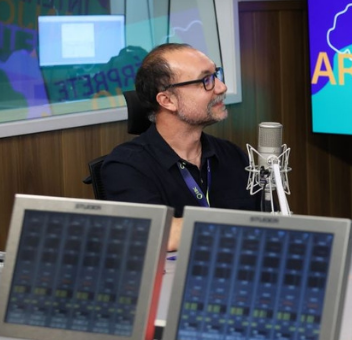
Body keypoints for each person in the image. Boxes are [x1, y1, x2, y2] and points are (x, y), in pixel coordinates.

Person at [102, 43, 259, 250]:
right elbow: (156, 232)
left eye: (216, 74)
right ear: (167, 100)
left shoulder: (232, 155)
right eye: (206, 80)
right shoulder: (125, 167)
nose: (221, 87)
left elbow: (263, 221)